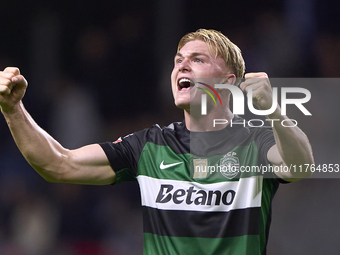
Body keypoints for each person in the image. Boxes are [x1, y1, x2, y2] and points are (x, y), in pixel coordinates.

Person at [0, 29, 314, 254]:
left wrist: (272, 109)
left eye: (198, 59)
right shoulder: (149, 145)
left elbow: (299, 165)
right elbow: (58, 164)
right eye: (178, 60)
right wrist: (13, 110)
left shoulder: (254, 141)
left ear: (229, 81)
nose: (182, 65)